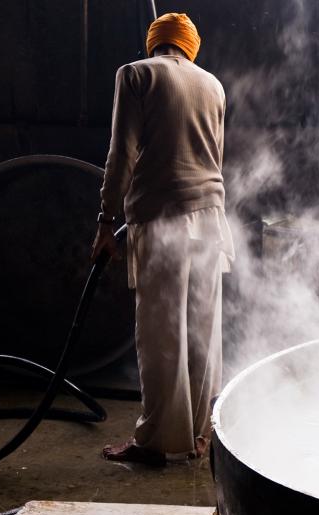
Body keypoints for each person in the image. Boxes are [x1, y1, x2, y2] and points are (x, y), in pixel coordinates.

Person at [90, 13, 234, 466]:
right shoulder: (213, 85)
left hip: (161, 216)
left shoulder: (134, 75)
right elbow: (215, 155)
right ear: (190, 46)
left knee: (161, 333)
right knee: (202, 332)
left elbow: (122, 153)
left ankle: (154, 441)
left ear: (154, 43)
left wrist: (104, 220)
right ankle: (196, 436)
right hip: (211, 217)